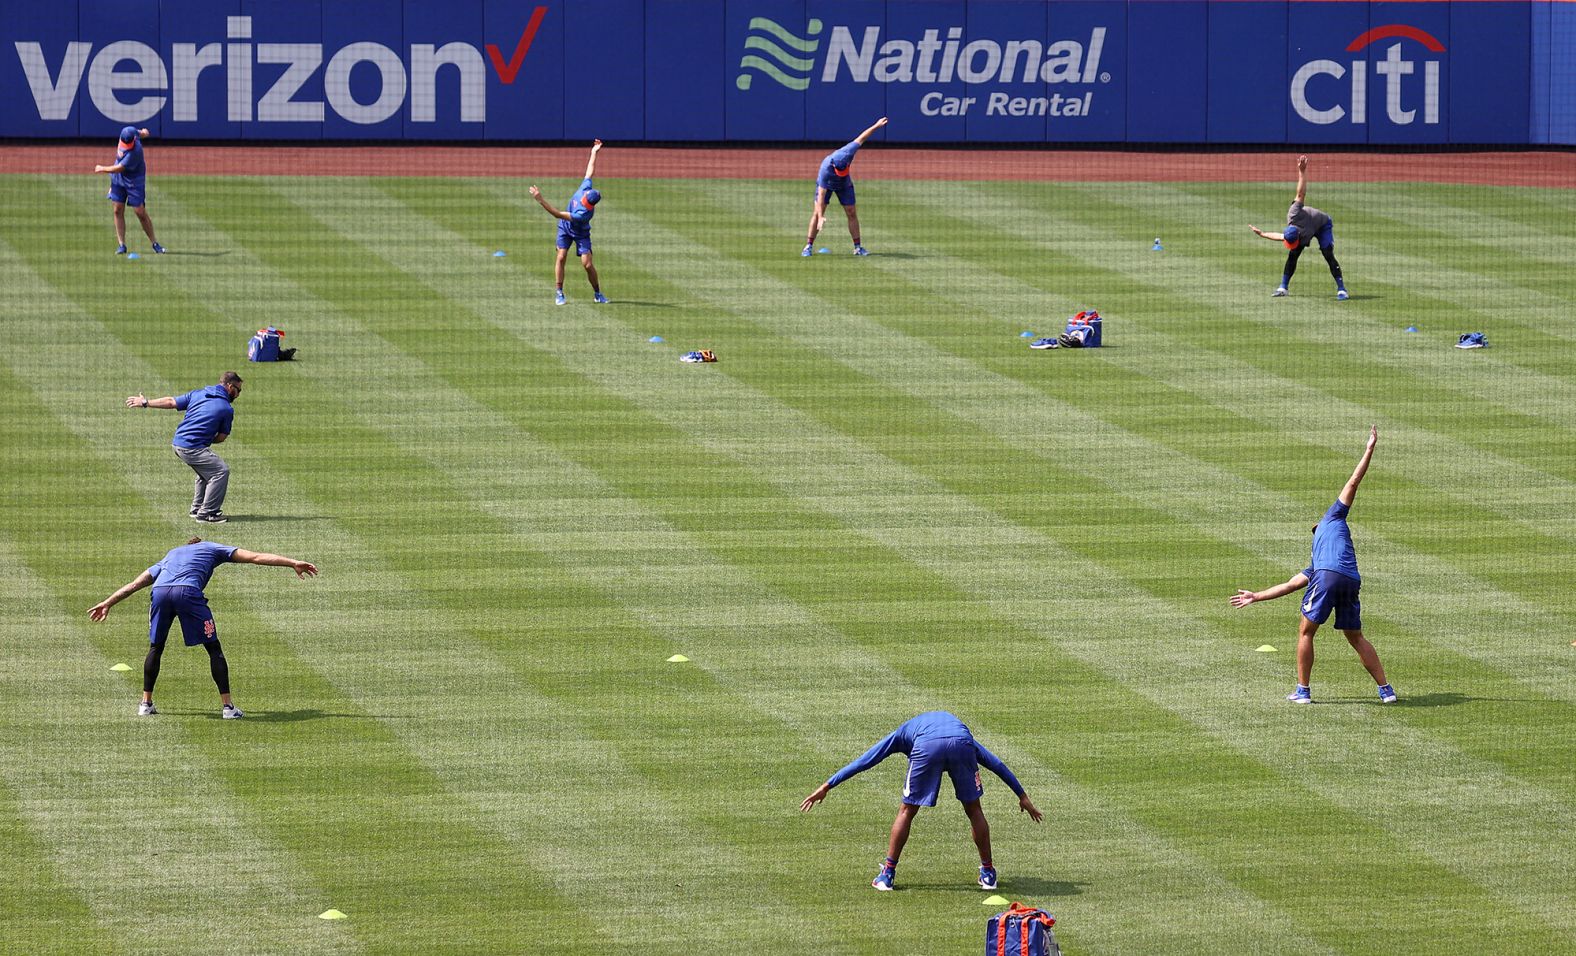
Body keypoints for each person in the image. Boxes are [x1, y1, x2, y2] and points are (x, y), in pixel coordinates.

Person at [1231, 426, 1397, 704]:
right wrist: (1256, 596)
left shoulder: (1332, 519)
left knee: (1306, 631)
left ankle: (1303, 692)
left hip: (1328, 578)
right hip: (1351, 580)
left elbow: (1354, 482)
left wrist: (1369, 450)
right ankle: (1386, 690)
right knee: (1355, 636)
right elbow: (1290, 585)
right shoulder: (1323, 550)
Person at [800, 711, 1043, 892]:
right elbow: (997, 764)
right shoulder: (959, 734)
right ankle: (988, 874)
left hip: (928, 745)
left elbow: (867, 760)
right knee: (974, 809)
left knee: (907, 810)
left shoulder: (901, 734)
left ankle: (887, 875)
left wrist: (828, 785)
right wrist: (1022, 796)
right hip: (961, 743)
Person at [88, 537, 318, 718]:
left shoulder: (170, 556)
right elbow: (255, 557)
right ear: (200, 544)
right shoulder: (212, 548)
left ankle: (145, 704)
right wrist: (292, 562)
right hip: (187, 592)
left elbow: (135, 584)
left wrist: (108, 602)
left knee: (156, 647)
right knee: (213, 648)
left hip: (159, 593)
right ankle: (228, 708)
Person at [127, 372, 243, 523]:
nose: (238, 394)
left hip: (178, 443)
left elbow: (170, 402)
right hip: (191, 447)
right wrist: (207, 437)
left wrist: (145, 402)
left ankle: (197, 509)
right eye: (238, 390)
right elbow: (221, 437)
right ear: (229, 386)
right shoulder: (226, 408)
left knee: (206, 472)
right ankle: (207, 514)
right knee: (221, 471)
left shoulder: (198, 394)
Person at [1250, 155, 1347, 300]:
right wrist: (1262, 234)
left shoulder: (1294, 213)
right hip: (1308, 227)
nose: (1291, 244)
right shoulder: (1291, 230)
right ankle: (1283, 287)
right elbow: (1279, 236)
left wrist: (1302, 172)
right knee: (1293, 255)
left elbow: (1300, 194)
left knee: (1328, 254)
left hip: (1322, 225)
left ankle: (1342, 290)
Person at [529, 140, 606, 306]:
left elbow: (557, 214)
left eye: (586, 201)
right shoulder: (585, 188)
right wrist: (594, 152)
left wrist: (540, 200)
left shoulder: (583, 214)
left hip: (581, 232)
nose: (583, 199)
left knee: (587, 264)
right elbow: (590, 170)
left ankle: (598, 293)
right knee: (561, 256)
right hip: (565, 229)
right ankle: (559, 292)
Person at [803, 117, 888, 257]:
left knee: (851, 212)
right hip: (828, 185)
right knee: (817, 213)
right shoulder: (825, 171)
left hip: (844, 184)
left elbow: (862, 137)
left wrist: (877, 125)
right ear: (834, 167)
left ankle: (858, 248)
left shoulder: (848, 152)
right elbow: (821, 197)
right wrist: (821, 216)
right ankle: (808, 247)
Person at [94, 125, 165, 256]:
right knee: (117, 209)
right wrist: (144, 132)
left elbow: (119, 167)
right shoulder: (129, 132)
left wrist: (102, 168)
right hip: (118, 179)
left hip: (134, 180)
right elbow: (142, 133)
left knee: (140, 212)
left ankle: (155, 243)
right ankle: (122, 245)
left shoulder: (135, 151)